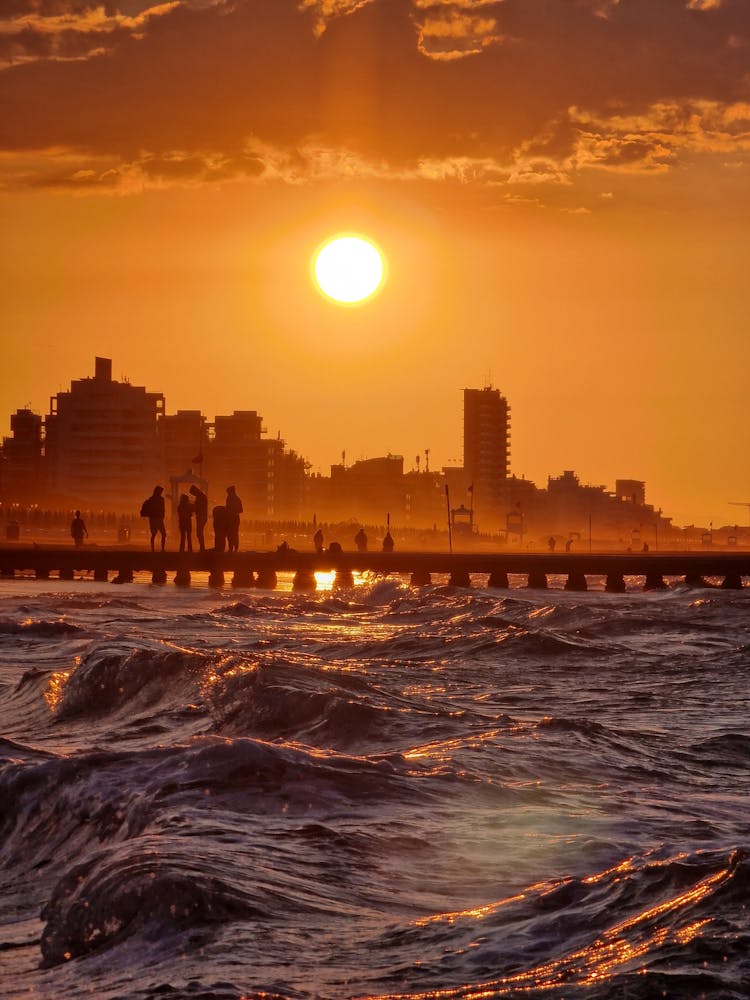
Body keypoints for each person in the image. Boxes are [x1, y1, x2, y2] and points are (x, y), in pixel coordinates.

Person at [140, 486, 166, 552]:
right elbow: (163, 510)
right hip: (157, 519)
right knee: (160, 534)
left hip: (154, 519)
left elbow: (163, 509)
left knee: (156, 534)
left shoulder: (151, 499)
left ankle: (154, 549)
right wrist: (162, 516)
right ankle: (159, 549)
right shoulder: (159, 499)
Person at [189, 484, 208, 552]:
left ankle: (202, 548)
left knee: (199, 532)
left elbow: (198, 507)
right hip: (202, 516)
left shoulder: (200, 497)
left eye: (193, 493)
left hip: (201, 516)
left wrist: (191, 507)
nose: (193, 495)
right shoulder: (201, 496)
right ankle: (202, 547)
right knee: (199, 532)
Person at [225, 486, 243, 553]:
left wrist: (233, 511)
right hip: (231, 519)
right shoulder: (232, 499)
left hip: (234, 519)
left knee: (233, 534)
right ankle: (232, 548)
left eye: (228, 492)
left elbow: (241, 510)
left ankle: (233, 548)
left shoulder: (235, 499)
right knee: (231, 534)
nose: (228, 494)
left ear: (231, 492)